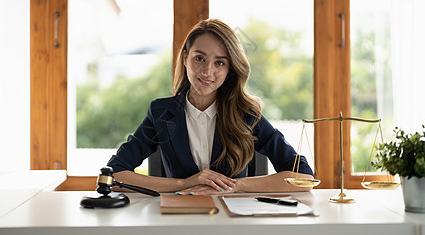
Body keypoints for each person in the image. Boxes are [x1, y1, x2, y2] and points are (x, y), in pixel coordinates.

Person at [107, 18, 314, 195]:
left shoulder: (246, 115)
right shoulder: (161, 113)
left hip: (231, 222)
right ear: (186, 57)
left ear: (230, 68)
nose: (207, 71)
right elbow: (113, 174)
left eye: (219, 63)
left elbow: (303, 177)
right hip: (179, 218)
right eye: (199, 58)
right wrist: (185, 183)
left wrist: (235, 186)